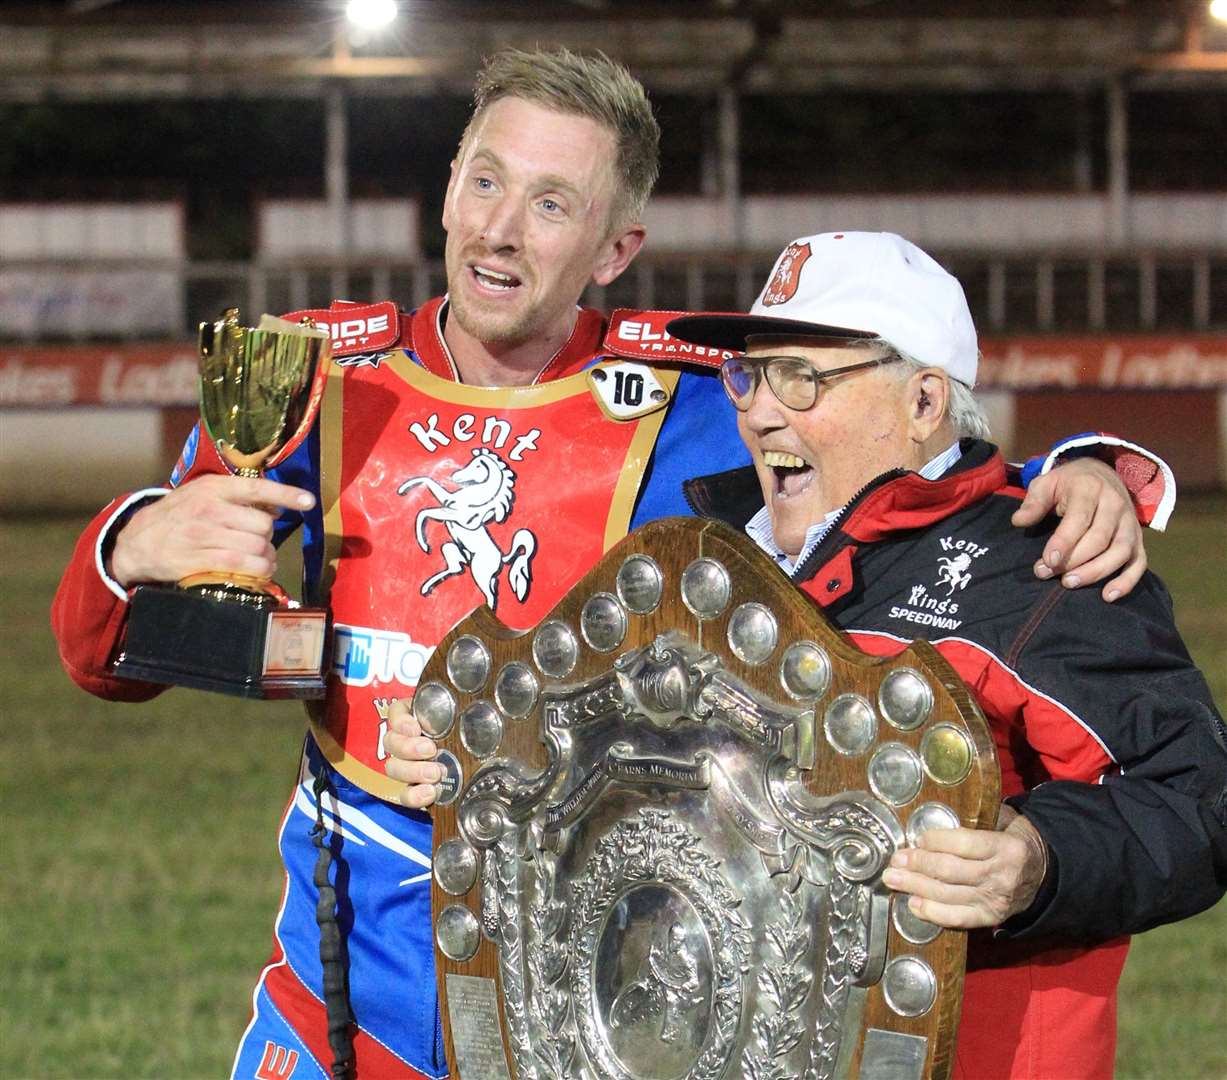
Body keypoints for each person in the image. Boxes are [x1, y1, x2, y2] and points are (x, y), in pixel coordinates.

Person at [51, 50, 1170, 1080]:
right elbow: (107, 660)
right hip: (344, 991)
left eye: (553, 206)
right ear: (445, 190)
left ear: (613, 248)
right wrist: (131, 545)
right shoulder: (316, 377)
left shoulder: (699, 397)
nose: (501, 232)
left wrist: (1086, 471)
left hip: (589, 991)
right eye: (485, 184)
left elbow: (907, 456)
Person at [656, 231, 1225, 1079]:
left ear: (924, 402)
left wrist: (1040, 860)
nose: (757, 410)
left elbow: (1199, 798)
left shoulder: (1047, 564)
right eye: (751, 373)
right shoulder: (711, 564)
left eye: (799, 377)